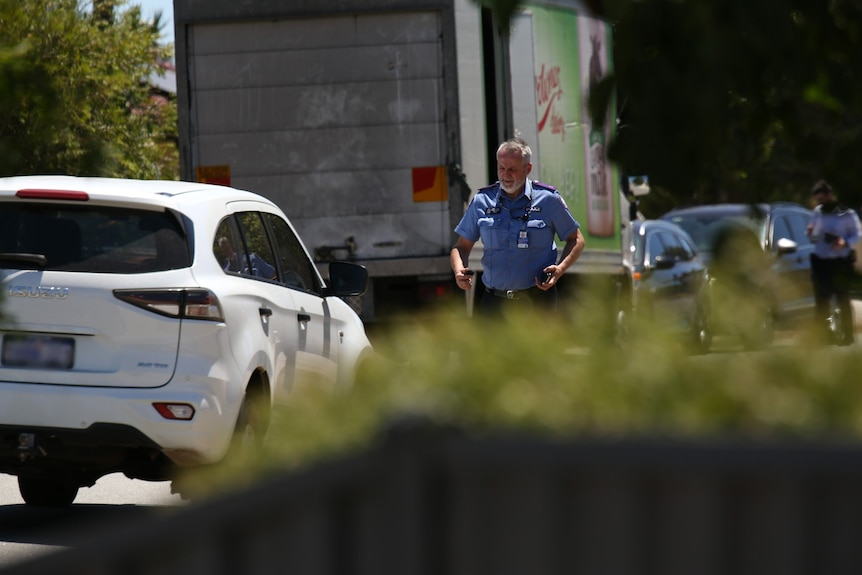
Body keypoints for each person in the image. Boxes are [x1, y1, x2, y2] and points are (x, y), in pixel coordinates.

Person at [450, 138, 585, 316]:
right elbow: (461, 247)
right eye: (501, 168)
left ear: (527, 169)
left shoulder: (548, 200)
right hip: (494, 305)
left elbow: (576, 239)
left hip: (537, 303)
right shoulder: (482, 200)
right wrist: (459, 270)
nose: (506, 175)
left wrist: (559, 269)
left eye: (512, 170)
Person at [806, 179, 861, 345]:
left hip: (840, 262)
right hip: (822, 262)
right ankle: (823, 336)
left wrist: (845, 242)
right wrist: (810, 232)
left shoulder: (847, 214)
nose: (821, 203)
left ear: (830, 196)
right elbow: (814, 235)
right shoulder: (818, 212)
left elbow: (858, 234)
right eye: (818, 201)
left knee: (842, 299)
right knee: (821, 302)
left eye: (823, 199)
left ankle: (847, 335)